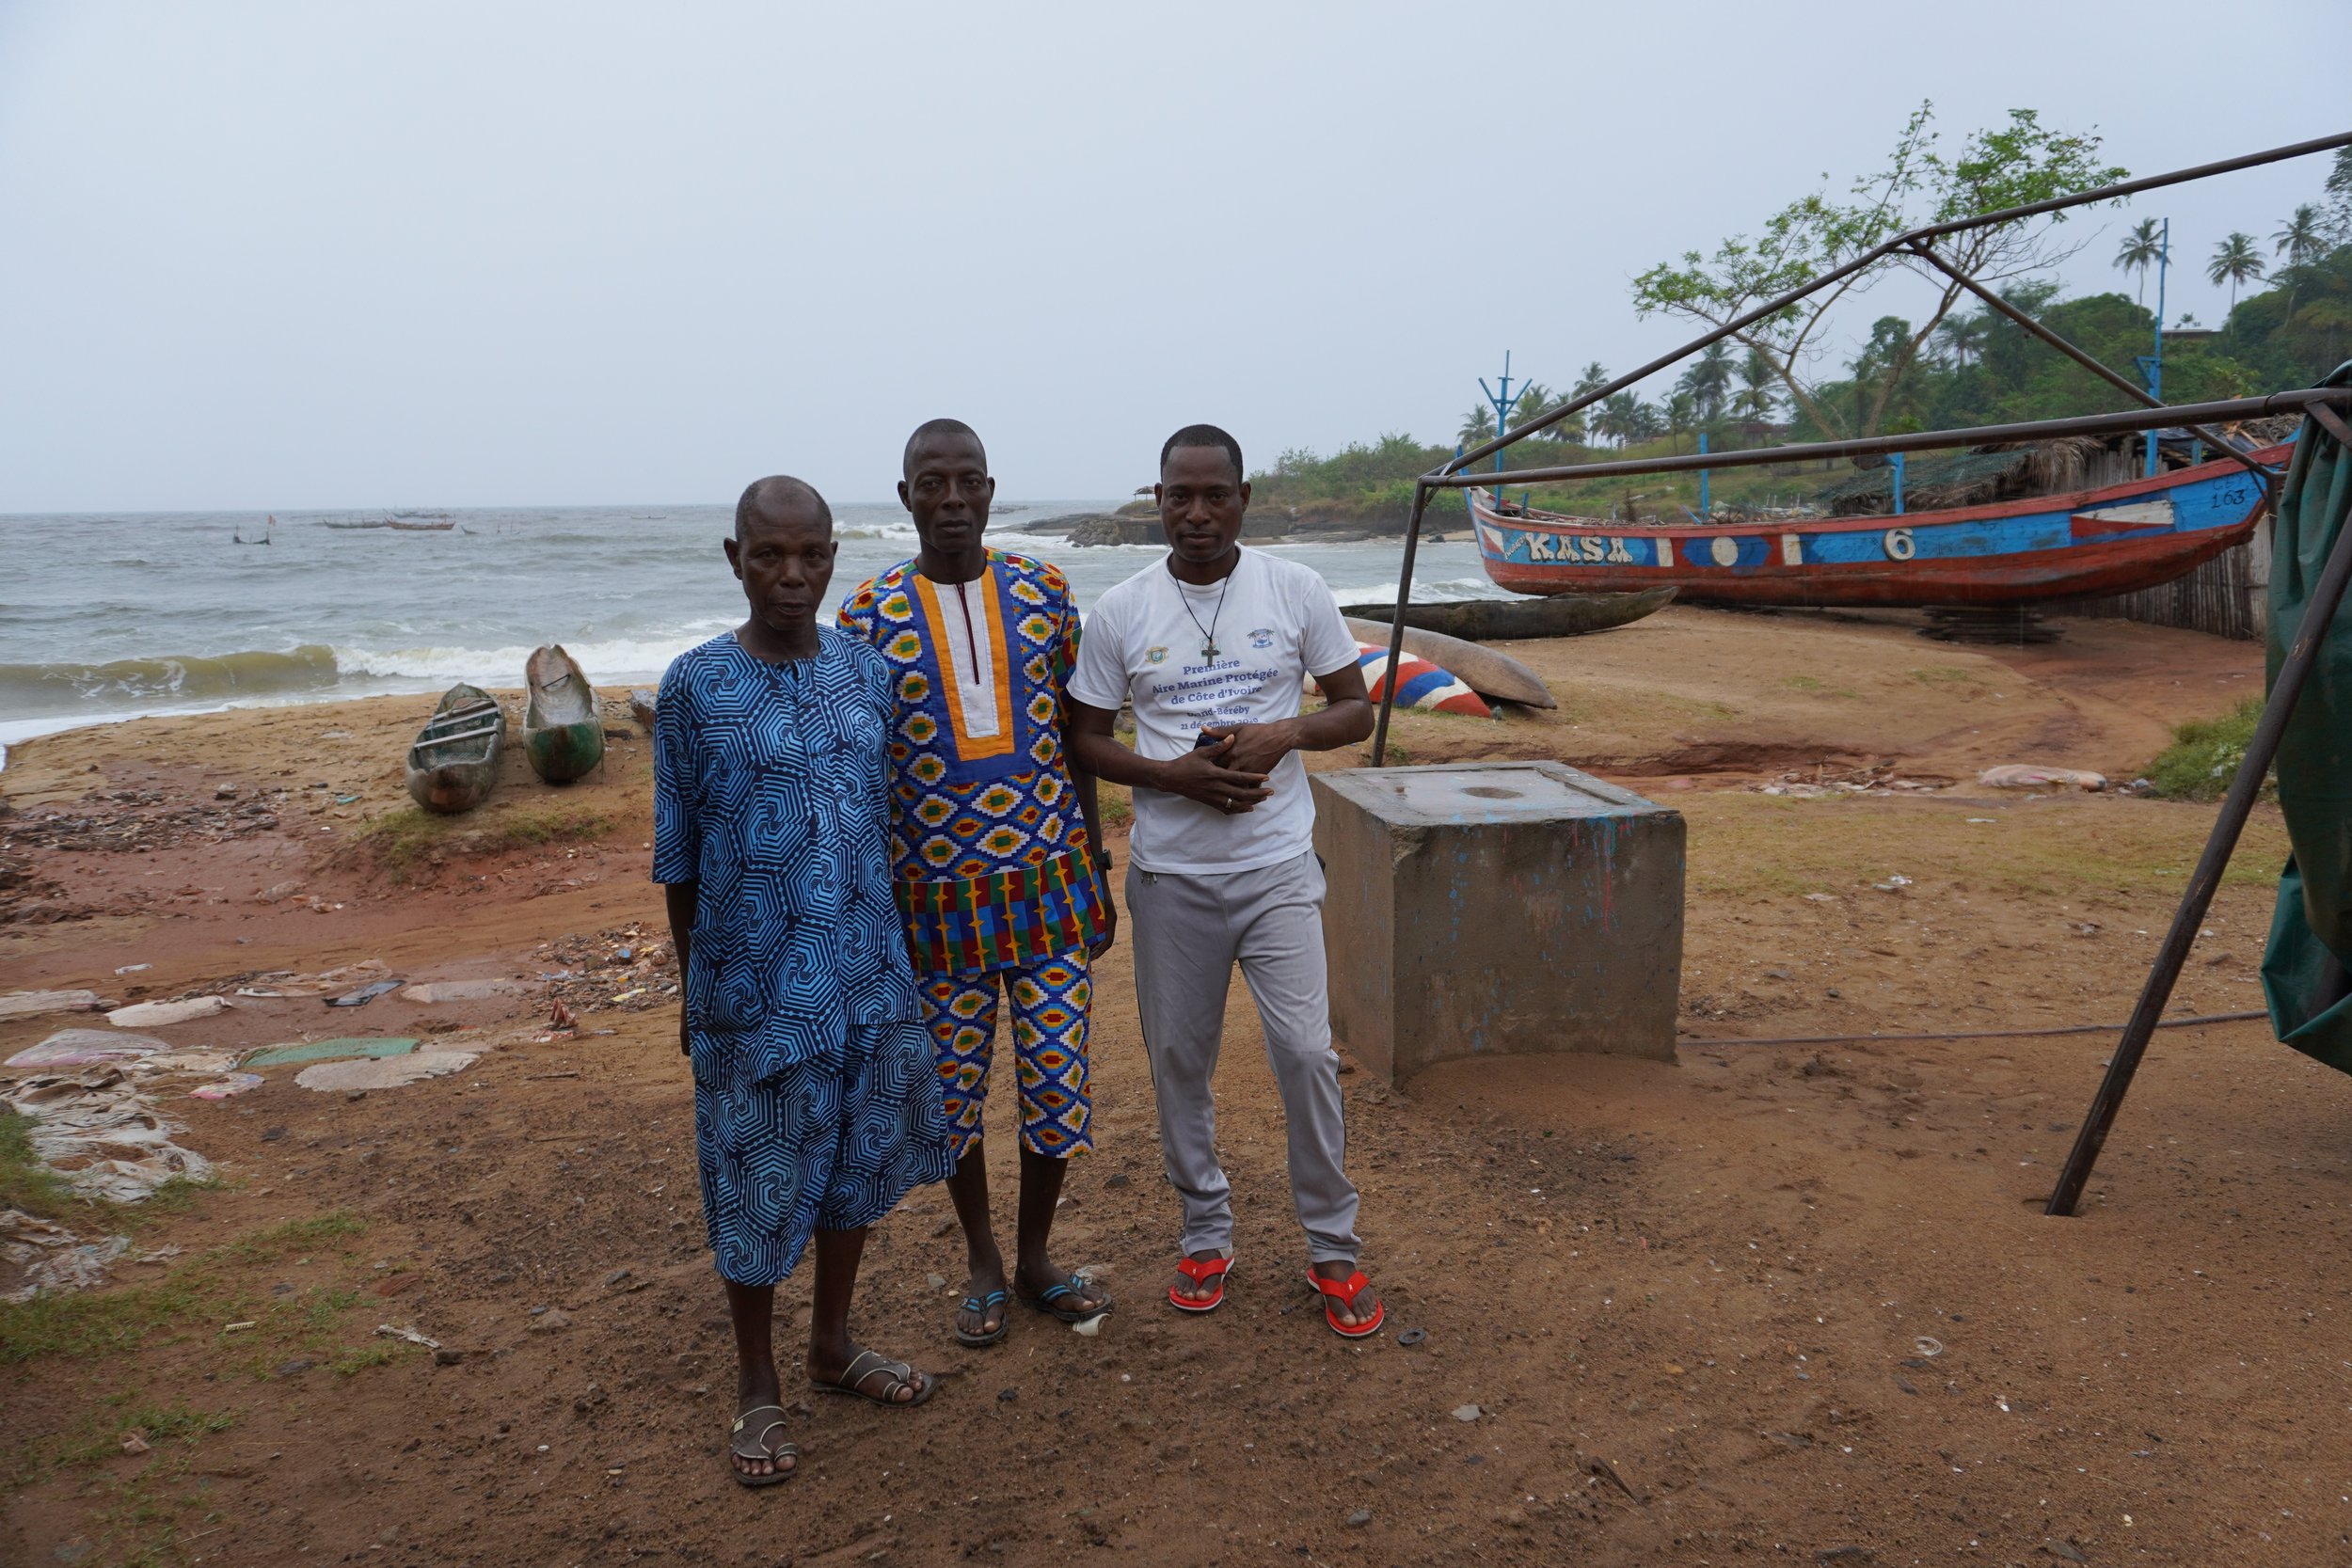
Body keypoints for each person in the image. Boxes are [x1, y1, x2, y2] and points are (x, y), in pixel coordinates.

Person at [655, 475, 957, 1487]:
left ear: (833, 556)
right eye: (771, 555)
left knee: (853, 1165)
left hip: (867, 970)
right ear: (733, 558)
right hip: (754, 987)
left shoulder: (869, 675)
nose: (793, 575)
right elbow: (679, 857)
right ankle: (756, 1379)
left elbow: (888, 826)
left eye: (812, 554)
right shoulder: (695, 685)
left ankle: (832, 1344)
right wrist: (700, 991)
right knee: (751, 1180)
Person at [1066, 423, 1386, 1338]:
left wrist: (1281, 732)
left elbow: (1354, 707)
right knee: (1179, 1063)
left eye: (1215, 494)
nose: (1196, 512)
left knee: (1304, 1053)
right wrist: (1174, 775)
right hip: (1171, 877)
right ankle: (1205, 1231)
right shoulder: (1122, 608)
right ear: (1157, 500)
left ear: (1244, 497)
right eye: (1179, 495)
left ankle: (1333, 1246)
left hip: (1278, 865)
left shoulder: (1295, 589)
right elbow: (1084, 736)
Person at [836, 419, 1115, 1347]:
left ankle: (1037, 1255)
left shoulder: (1044, 591)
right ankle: (983, 1259)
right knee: (953, 1095)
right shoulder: (866, 617)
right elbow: (866, 775)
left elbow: (1080, 736)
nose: (950, 499)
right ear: (906, 494)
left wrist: (1097, 860)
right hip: (936, 908)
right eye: (931, 482)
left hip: (1050, 888)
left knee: (1055, 1081)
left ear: (989, 491)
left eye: (966, 482)